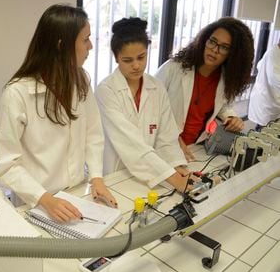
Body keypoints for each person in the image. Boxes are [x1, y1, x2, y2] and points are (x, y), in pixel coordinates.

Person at [0, 4, 117, 223]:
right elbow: (8, 165)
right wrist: (45, 200)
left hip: (77, 193)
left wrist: (97, 178)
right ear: (62, 46)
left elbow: (93, 135)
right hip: (35, 203)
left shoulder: (80, 80)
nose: (90, 46)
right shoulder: (17, 93)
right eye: (85, 39)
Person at [95, 18, 191, 193]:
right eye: (127, 60)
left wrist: (177, 167)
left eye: (141, 57)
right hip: (116, 176)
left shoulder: (156, 87)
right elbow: (130, 143)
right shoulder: (106, 91)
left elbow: (167, 137)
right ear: (116, 58)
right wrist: (173, 178)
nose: (136, 65)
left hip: (152, 175)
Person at [156, 17, 254, 161]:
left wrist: (231, 117)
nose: (214, 50)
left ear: (233, 54)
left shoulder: (225, 79)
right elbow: (151, 106)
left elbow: (222, 105)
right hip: (163, 144)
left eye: (224, 47)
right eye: (212, 41)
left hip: (194, 147)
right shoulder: (174, 68)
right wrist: (173, 138)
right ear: (204, 40)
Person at [248, 41, 280, 129]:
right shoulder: (273, 54)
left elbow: (259, 65)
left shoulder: (274, 51)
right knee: (263, 133)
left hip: (269, 100)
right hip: (267, 101)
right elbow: (276, 81)